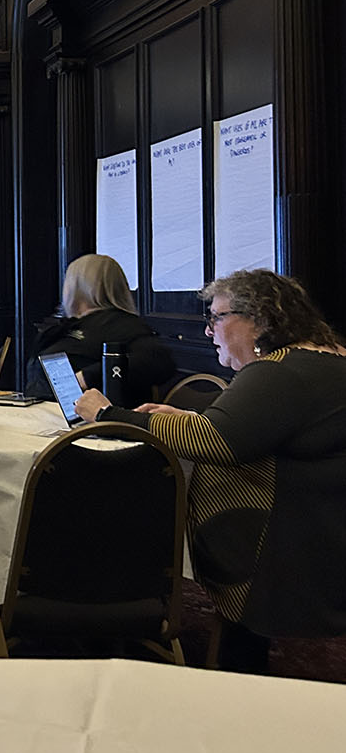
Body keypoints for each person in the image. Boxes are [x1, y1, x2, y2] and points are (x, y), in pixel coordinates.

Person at [74, 269, 346, 672]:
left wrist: (109, 414)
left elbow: (217, 441)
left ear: (260, 318)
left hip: (283, 552)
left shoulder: (279, 371)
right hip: (321, 533)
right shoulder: (319, 360)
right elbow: (256, 428)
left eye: (217, 318)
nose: (207, 331)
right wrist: (185, 415)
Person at [24, 253, 175, 404]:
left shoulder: (122, 325)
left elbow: (158, 361)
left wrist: (86, 377)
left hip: (90, 420)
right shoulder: (70, 325)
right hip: (43, 409)